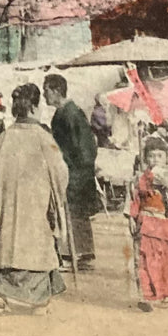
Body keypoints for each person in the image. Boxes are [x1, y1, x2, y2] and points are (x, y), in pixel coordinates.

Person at [0, 83, 69, 315]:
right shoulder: (43, 137)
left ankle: (2, 295)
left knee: (12, 246)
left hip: (10, 206)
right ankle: (38, 301)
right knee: (36, 249)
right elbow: (60, 172)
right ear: (34, 106)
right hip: (36, 206)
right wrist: (57, 197)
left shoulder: (5, 137)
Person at [44, 74, 98, 270]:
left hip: (75, 172)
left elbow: (84, 147)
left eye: (46, 90)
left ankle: (72, 255)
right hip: (75, 170)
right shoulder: (65, 112)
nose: (44, 95)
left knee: (72, 213)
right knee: (76, 214)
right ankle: (81, 253)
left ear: (56, 90)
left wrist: (75, 171)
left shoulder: (70, 113)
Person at [131, 136, 168, 307]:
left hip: (163, 223)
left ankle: (166, 294)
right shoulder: (141, 178)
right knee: (147, 259)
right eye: (151, 155)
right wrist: (132, 218)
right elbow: (134, 199)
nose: (155, 159)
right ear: (145, 158)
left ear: (166, 158)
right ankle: (148, 296)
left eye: (159, 156)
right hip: (146, 221)